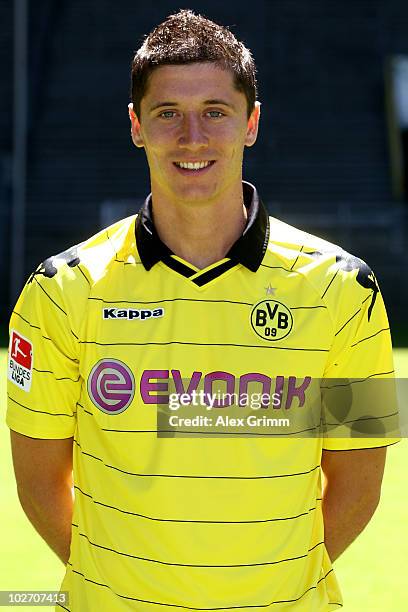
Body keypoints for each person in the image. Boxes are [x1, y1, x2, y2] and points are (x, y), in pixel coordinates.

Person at [7, 9, 399, 611]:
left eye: (216, 111)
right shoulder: (60, 291)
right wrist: (127, 585)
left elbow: (359, 489)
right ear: (137, 125)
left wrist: (265, 587)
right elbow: (37, 483)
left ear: (252, 124)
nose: (193, 137)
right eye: (168, 114)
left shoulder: (346, 289)